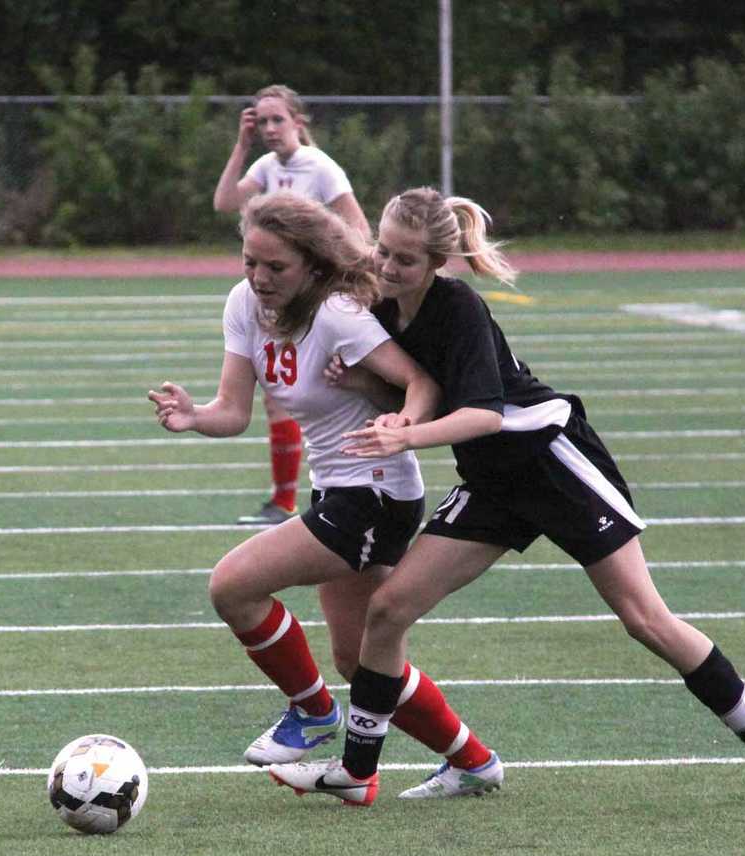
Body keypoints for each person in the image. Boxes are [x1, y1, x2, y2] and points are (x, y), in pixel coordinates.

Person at [269, 186, 745, 810]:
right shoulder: (384, 304)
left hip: (554, 465)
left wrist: (406, 438)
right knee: (389, 608)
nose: (386, 266)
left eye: (405, 259)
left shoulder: (458, 309)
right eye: (383, 249)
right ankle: (357, 769)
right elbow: (421, 388)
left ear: (437, 265)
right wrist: (377, 396)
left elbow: (481, 414)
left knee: (644, 620)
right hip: (493, 482)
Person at [148, 191, 502, 805]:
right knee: (358, 662)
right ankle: (474, 762)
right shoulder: (243, 304)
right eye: (249, 262)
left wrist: (402, 428)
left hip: (377, 494)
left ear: (313, 266)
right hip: (335, 489)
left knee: (232, 585)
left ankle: (312, 713)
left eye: (275, 267)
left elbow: (422, 379)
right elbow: (233, 412)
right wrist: (194, 416)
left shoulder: (339, 313)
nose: (258, 278)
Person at [213, 84, 371, 527]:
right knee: (278, 396)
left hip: (314, 303)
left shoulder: (321, 168)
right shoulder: (265, 166)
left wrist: (331, 277)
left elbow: (358, 230)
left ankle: (342, 493)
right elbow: (224, 203)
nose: (268, 128)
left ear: (299, 122)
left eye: (277, 119)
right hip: (284, 301)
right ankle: (286, 502)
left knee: (327, 395)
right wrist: (240, 147)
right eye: (260, 122)